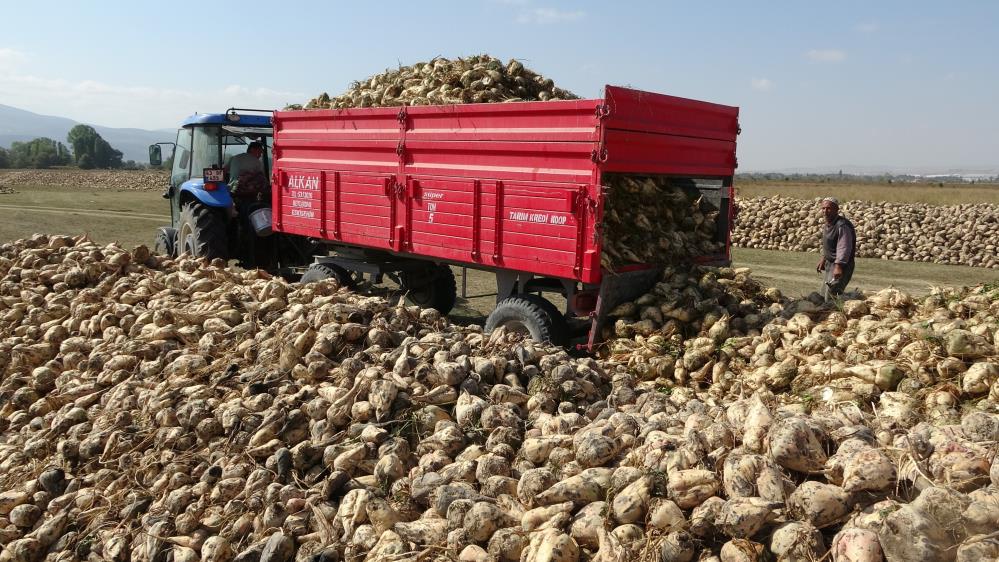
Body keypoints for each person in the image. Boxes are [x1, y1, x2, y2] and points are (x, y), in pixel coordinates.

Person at [815, 197, 857, 299]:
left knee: (832, 296)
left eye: (828, 208)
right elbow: (828, 244)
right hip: (830, 264)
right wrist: (824, 258)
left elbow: (844, 247)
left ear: (836, 209)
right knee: (824, 294)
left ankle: (836, 314)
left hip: (841, 265)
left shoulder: (842, 225)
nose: (825, 211)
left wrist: (838, 266)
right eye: (823, 208)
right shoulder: (828, 224)